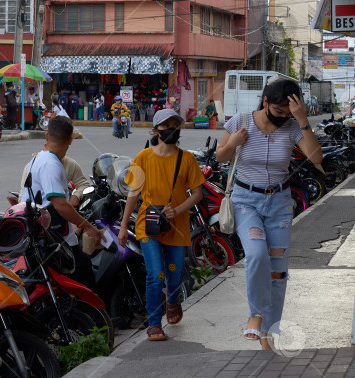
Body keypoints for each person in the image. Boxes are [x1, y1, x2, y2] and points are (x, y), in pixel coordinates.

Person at [215, 79, 321, 350]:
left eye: (289, 112)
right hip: (245, 201)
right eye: (279, 110)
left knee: (277, 271)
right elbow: (220, 156)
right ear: (265, 102)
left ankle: (268, 332)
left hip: (279, 205)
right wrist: (235, 142)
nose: (283, 116)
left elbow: (316, 158)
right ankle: (255, 315)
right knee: (256, 254)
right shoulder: (241, 121)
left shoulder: (294, 126)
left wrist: (303, 119)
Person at [118, 109, 205, 341]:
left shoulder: (187, 159)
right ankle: (155, 324)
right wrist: (123, 225)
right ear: (155, 130)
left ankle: (173, 301)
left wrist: (177, 209)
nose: (171, 129)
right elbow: (133, 193)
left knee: (175, 277)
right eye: (166, 125)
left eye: (175, 125)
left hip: (177, 226)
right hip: (148, 226)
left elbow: (198, 193)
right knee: (155, 275)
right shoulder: (142, 158)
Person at [20, 116, 103, 287]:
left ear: (46, 136)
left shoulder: (38, 159)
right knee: (82, 273)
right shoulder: (50, 164)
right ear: (70, 140)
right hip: (53, 239)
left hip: (42, 234)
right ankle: (91, 314)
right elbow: (60, 205)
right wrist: (88, 227)